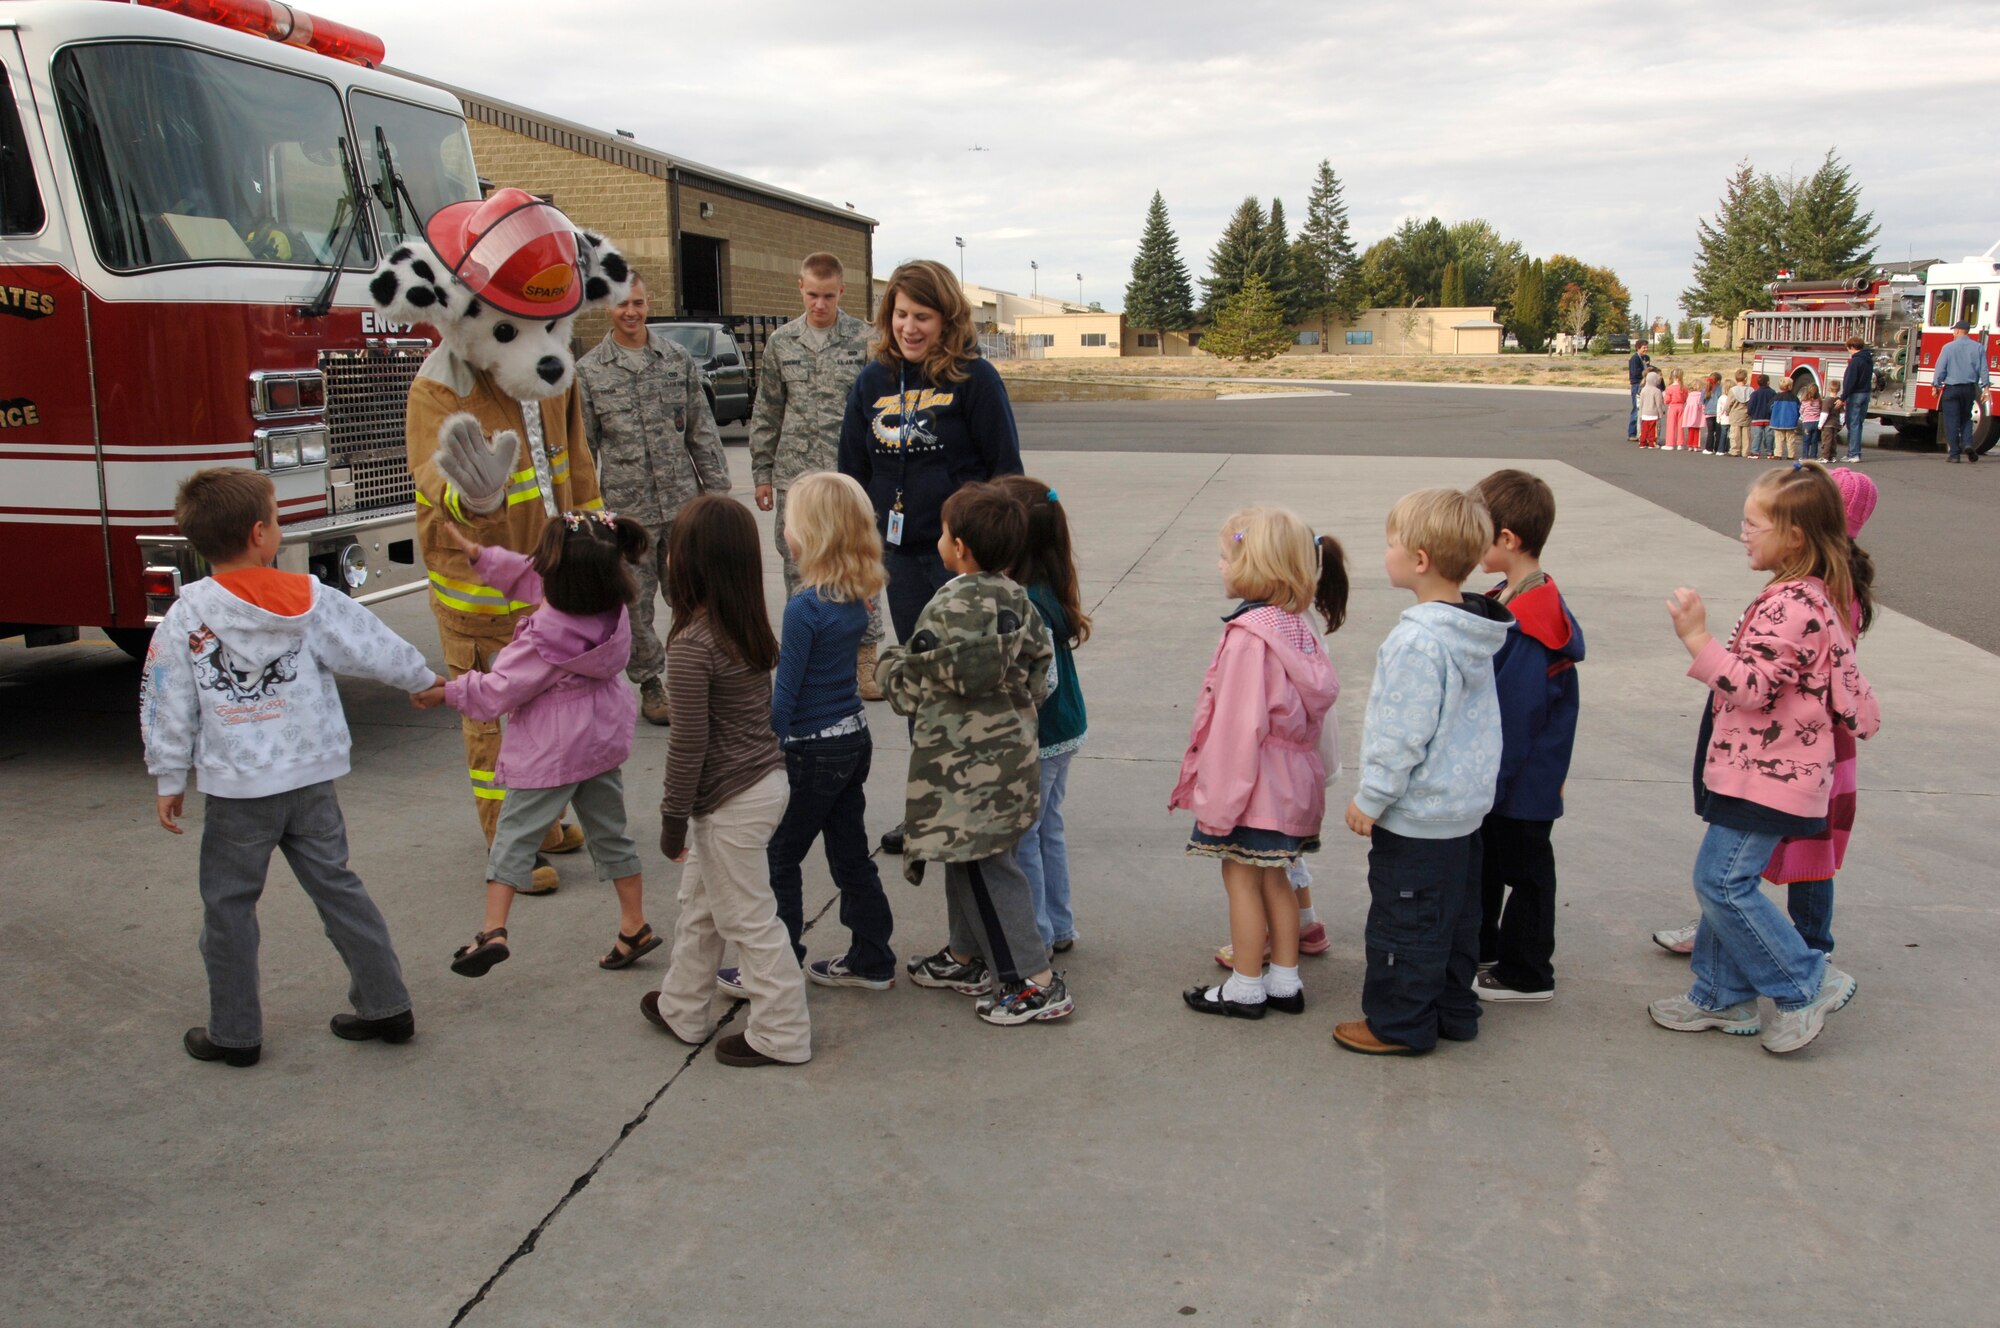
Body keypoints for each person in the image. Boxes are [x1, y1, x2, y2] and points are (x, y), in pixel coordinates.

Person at [141, 468, 440, 1067]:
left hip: (237, 790)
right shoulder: (310, 599)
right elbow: (369, 643)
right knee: (338, 887)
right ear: (260, 535)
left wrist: (169, 777)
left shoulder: (185, 618)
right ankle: (388, 1005)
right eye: (277, 521)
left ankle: (235, 1033)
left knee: (228, 907)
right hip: (310, 778)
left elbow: (165, 699)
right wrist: (422, 678)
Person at [1650, 464, 1880, 1055]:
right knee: (1726, 878)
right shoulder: (1804, 594)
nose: (1743, 533)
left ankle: (1806, 978)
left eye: (1754, 524)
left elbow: (1751, 686)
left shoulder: (1792, 604)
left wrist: (1698, 639)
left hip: (1767, 774)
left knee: (1722, 883)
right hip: (1756, 768)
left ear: (1794, 535)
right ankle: (1719, 995)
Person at [417, 513, 659, 978]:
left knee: (512, 839)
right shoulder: (611, 611)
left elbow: (495, 693)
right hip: (600, 741)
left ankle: (493, 931)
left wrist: (445, 691)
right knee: (611, 834)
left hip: (552, 751)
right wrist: (482, 557)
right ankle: (635, 926)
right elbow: (534, 578)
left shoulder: (542, 638)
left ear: (557, 573)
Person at [838, 259, 1024, 856]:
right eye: (900, 315)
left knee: (971, 686)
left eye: (922, 316)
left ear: (947, 319)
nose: (909, 328)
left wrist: (1004, 564)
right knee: (923, 689)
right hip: (903, 560)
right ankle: (929, 807)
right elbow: (853, 474)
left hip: (967, 566)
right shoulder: (871, 382)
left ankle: (983, 803)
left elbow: (1007, 474)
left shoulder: (976, 379)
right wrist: (861, 557)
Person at [878, 482, 1071, 1025]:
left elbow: (910, 687)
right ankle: (966, 956)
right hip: (1010, 763)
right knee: (968, 859)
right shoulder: (1018, 599)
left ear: (959, 547)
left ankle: (1034, 980)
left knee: (988, 870)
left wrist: (885, 664)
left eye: (943, 532)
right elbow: (1040, 676)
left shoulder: (944, 606)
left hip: (958, 768)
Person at [1333, 488, 1510, 1055]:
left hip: (1418, 817)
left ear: (1420, 560)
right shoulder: (1472, 628)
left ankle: (1400, 1024)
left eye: (1391, 543)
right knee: (1457, 920)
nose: (1384, 552)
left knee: (1403, 925)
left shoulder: (1417, 640)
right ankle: (1454, 1011)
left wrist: (1372, 796)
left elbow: (1401, 732)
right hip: (1462, 812)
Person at [641, 496, 808, 1067]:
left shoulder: (691, 645)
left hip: (729, 802)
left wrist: (670, 820)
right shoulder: (746, 624)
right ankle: (682, 1006)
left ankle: (782, 1032)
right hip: (762, 785)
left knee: (748, 920)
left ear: (685, 563)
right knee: (702, 907)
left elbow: (689, 745)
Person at [1171, 508, 1347, 1020]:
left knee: (1242, 876)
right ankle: (1285, 980)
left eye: (1227, 556)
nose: (1220, 565)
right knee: (1278, 877)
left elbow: (1236, 728)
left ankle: (1246, 985)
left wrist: (1217, 803)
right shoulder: (1297, 628)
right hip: (1292, 781)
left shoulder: (1250, 636)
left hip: (1255, 786)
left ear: (1257, 568)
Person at [576, 271, 733, 725]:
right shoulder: (590, 372)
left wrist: (716, 492)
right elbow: (585, 450)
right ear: (608, 307)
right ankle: (651, 683)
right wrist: (588, 515)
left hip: (683, 506)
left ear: (649, 304)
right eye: (623, 305)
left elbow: (702, 432)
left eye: (639, 304)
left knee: (695, 598)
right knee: (635, 605)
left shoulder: (676, 360)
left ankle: (703, 674)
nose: (631, 312)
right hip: (629, 518)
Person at [761, 470, 897, 991]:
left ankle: (777, 965)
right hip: (853, 740)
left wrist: (767, 752)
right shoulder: (857, 595)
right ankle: (872, 957)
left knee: (781, 855)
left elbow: (786, 694)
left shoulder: (804, 607)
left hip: (812, 750)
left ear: (810, 535)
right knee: (849, 854)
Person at [1469, 471, 1585, 1003]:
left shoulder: (1528, 620)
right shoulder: (1514, 595)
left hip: (1520, 779)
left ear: (1508, 540)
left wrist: (1489, 783)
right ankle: (1487, 947)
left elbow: (1515, 715)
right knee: (1497, 862)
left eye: (1479, 533)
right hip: (1520, 777)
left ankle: (1527, 970)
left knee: (1527, 871)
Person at [750, 253, 885, 698]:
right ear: (800, 288)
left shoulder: (865, 340)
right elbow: (768, 409)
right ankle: (807, 654)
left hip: (850, 476)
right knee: (798, 567)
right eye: (812, 295)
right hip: (795, 475)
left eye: (828, 296)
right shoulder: (781, 342)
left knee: (860, 561)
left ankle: (866, 659)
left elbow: (879, 411)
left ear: (842, 292)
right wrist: (762, 472)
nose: (820, 304)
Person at [994, 475, 1092, 955]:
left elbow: (1044, 680)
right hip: (1066, 728)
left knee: (1026, 836)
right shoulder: (1046, 584)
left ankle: (1037, 933)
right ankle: (1061, 923)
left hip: (1042, 732)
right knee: (1048, 826)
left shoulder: (1025, 600)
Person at [1931, 320, 1989, 464]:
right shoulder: (1978, 347)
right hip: (1969, 388)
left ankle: (1954, 454)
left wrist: (1936, 385)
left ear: (1957, 331)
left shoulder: (1948, 348)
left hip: (1951, 389)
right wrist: (1986, 387)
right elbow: (1984, 369)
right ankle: (1968, 444)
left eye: (1954, 330)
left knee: (1951, 421)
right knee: (1966, 418)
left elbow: (1940, 368)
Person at [1838, 335, 1874, 463]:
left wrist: (1843, 397)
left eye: (1848, 348)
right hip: (1866, 393)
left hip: (1856, 394)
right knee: (1858, 423)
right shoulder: (1868, 359)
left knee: (1852, 424)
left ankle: (1853, 453)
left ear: (1852, 347)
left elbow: (1850, 381)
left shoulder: (1855, 361)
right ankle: (1854, 452)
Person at [1770, 376, 1802, 461]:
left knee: (1778, 439)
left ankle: (1778, 454)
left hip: (1778, 421)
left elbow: (1770, 407)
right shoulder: (1794, 398)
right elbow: (1799, 409)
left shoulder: (1776, 397)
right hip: (1790, 422)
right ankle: (1791, 455)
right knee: (1790, 440)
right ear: (1790, 386)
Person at [1746, 373, 1776, 460]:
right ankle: (1770, 452)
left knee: (1757, 435)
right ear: (1768, 382)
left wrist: (1750, 413)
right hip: (1769, 418)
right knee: (1769, 436)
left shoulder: (1755, 393)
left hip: (1757, 418)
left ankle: (1755, 451)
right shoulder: (1772, 392)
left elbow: (1750, 405)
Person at [1626, 340, 1651, 440]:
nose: (1646, 349)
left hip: (1646, 385)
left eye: (1646, 347)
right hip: (1637, 385)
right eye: (1644, 347)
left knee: (1646, 410)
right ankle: (1632, 433)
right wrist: (1645, 372)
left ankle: (1643, 433)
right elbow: (1635, 373)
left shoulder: (1646, 358)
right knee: (1637, 408)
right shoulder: (1634, 359)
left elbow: (1648, 369)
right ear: (1638, 348)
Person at [1635, 368, 1665, 448]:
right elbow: (1659, 404)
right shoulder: (1657, 391)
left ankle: (1642, 443)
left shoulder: (1643, 390)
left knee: (1644, 429)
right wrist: (1661, 413)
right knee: (1652, 430)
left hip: (1644, 413)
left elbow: (1641, 403)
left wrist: (1640, 413)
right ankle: (1652, 443)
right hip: (1653, 414)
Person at [1727, 369, 1753, 458]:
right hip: (1746, 415)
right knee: (1746, 436)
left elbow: (1729, 403)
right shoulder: (1750, 390)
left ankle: (1735, 450)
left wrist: (1727, 411)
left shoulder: (1733, 390)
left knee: (1735, 435)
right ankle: (1746, 451)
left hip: (1735, 415)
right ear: (1746, 379)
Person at [1702, 373, 1728, 455]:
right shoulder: (1720, 389)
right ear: (1719, 381)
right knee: (1718, 432)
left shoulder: (1706, 389)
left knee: (1710, 432)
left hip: (1708, 413)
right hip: (1718, 413)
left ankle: (1709, 448)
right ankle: (1718, 448)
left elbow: (1702, 401)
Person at [1663, 370, 1688, 451]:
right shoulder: (1684, 387)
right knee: (1681, 426)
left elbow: (1666, 400)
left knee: (1671, 425)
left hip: (1673, 407)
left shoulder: (1669, 388)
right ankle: (1680, 443)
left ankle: (1670, 443)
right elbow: (1685, 398)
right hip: (1681, 406)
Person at [1799, 380, 1824, 460]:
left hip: (1807, 423)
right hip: (1816, 423)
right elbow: (1820, 410)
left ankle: (1805, 456)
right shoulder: (1819, 401)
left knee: (1806, 441)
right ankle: (1813, 456)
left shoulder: (1804, 401)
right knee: (1814, 441)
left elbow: (1801, 411)